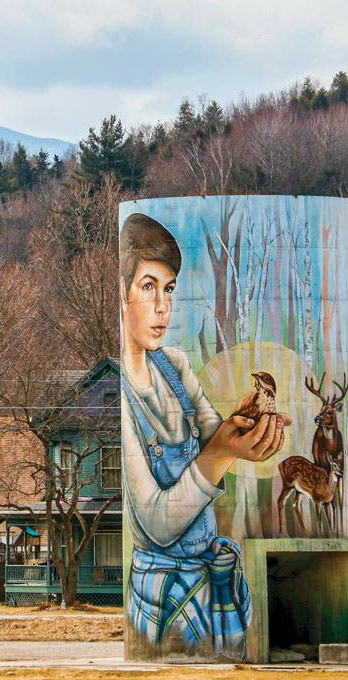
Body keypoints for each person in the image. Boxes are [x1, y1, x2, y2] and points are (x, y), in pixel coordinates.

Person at [120, 212, 287, 658]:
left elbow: (215, 431)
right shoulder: (122, 395)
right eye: (148, 286)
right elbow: (156, 522)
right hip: (162, 600)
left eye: (169, 289)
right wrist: (219, 455)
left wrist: (251, 424)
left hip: (211, 579)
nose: (162, 307)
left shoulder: (173, 365)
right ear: (121, 294)